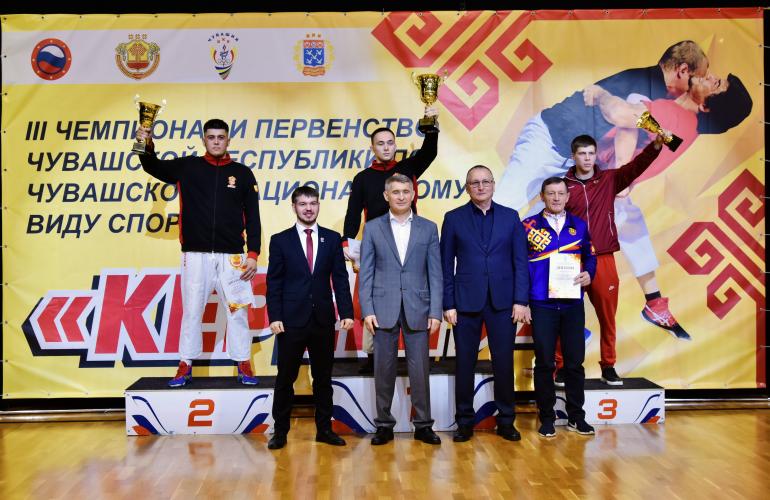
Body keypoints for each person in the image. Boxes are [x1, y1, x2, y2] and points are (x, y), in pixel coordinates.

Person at [496, 40, 707, 338]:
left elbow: (644, 128)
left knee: (593, 221)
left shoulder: (677, 114)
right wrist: (621, 170)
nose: (700, 83)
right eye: (701, 76)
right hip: (548, 143)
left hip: (578, 166)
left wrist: (605, 98)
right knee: (503, 212)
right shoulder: (644, 84)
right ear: (683, 70)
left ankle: (645, 302)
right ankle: (491, 290)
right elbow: (622, 119)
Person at [584, 73, 752, 338]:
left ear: (706, 106)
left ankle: (565, 325)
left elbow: (620, 115)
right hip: (608, 189)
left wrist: (601, 94)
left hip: (596, 189)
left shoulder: (674, 117)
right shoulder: (684, 129)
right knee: (631, 230)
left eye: (717, 83)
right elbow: (650, 133)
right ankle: (654, 303)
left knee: (571, 250)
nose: (711, 75)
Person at [135, 119, 261, 387]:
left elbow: (253, 217)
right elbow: (152, 166)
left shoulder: (242, 173)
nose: (216, 141)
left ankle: (243, 362)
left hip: (233, 256)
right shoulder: (188, 166)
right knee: (192, 311)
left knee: (237, 311)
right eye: (211, 137)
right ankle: (185, 364)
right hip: (195, 254)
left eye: (221, 137)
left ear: (228, 140)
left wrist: (253, 254)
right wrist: (143, 142)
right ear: (204, 140)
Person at [561, 133, 664, 385]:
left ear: (596, 155)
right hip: (570, 259)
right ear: (573, 156)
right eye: (582, 154)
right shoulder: (562, 186)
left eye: (591, 153)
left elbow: (636, 167)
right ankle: (560, 366)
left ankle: (608, 365)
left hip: (602, 257)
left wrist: (655, 147)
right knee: (563, 315)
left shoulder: (609, 179)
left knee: (607, 316)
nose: (587, 158)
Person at [343, 107, 439, 373]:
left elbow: (430, 152)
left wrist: (431, 125)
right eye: (380, 143)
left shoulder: (408, 167)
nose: (386, 147)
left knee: (413, 293)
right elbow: (353, 213)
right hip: (377, 245)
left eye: (390, 142)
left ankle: (416, 356)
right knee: (373, 297)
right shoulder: (363, 178)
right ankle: (374, 356)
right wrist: (346, 242)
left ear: (395, 145)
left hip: (409, 241)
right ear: (372, 147)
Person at [440, 165, 530, 442]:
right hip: (465, 303)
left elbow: (520, 262)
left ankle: (506, 421)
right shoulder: (453, 218)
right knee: (464, 363)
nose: (480, 187)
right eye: (474, 183)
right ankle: (464, 422)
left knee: (503, 363)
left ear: (493, 184)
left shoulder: (510, 217)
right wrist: (448, 303)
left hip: (503, 303)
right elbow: (445, 265)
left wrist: (520, 300)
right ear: (467, 188)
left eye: (485, 181)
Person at [266, 186, 354, 450]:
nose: (308, 208)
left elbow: (340, 279)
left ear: (318, 206)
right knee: (285, 378)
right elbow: (274, 282)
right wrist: (275, 316)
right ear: (294, 206)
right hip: (290, 321)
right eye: (303, 204)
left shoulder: (332, 238)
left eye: (313, 203)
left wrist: (346, 312)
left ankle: (324, 430)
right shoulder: (280, 240)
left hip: (322, 320)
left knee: (323, 379)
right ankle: (280, 432)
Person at [359, 173, 443, 445]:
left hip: (419, 308)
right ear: (386, 196)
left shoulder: (429, 228)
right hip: (382, 308)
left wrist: (435, 311)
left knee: (420, 371)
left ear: (413, 194)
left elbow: (435, 273)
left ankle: (424, 425)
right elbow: (366, 273)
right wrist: (367, 310)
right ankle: (384, 425)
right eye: (396, 192)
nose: (401, 196)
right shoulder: (373, 228)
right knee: (383, 370)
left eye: (406, 191)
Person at [522, 177, 597, 438]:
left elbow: (591, 256)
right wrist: (523, 301)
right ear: (542, 196)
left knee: (574, 363)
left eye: (560, 193)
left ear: (567, 196)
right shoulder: (528, 226)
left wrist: (589, 273)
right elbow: (519, 265)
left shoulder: (579, 225)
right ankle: (546, 418)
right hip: (541, 304)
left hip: (572, 303)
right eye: (551, 193)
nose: (556, 198)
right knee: (544, 362)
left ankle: (577, 417)